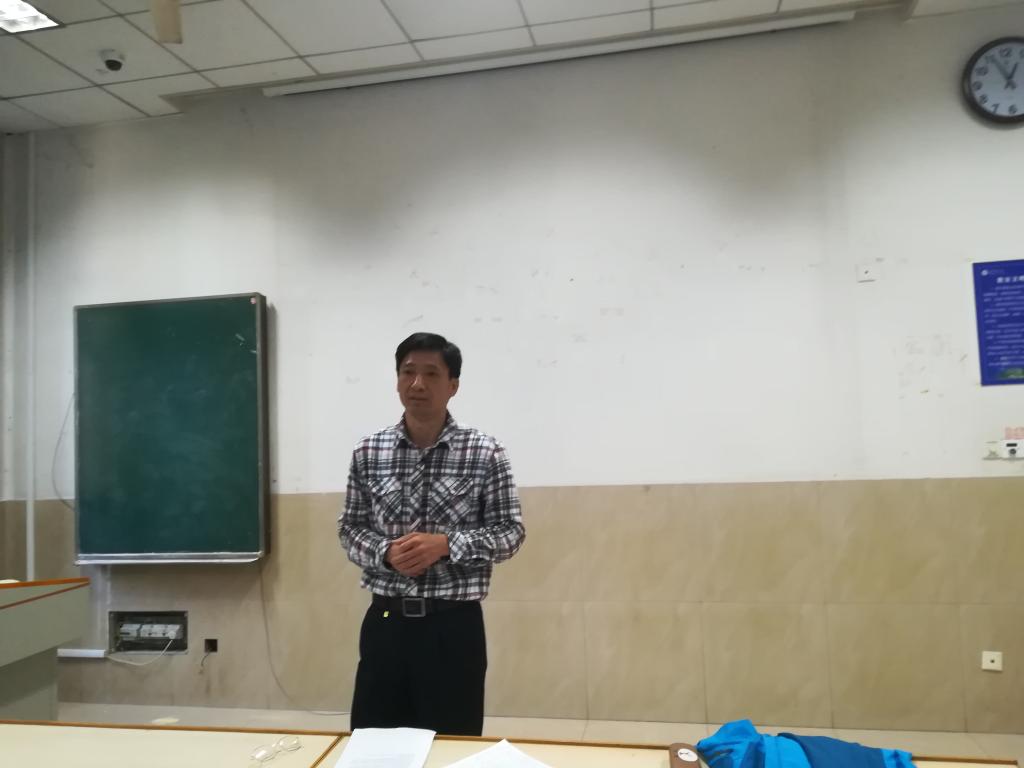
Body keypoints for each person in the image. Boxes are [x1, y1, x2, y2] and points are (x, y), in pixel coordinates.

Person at [338, 332, 525, 736]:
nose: (417, 384)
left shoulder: (485, 452)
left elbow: (510, 533)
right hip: (385, 621)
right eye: (408, 372)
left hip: (453, 627)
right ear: (397, 380)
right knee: (374, 743)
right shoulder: (368, 451)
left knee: (450, 743)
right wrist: (385, 553)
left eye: (431, 374)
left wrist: (446, 545)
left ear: (453, 385)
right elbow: (350, 529)